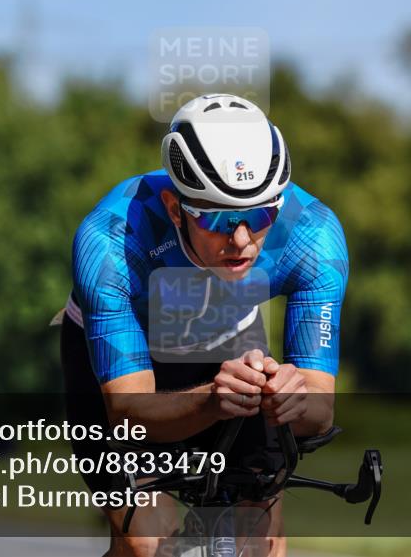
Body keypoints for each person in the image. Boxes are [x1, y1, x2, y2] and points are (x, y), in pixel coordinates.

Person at [60, 94, 349, 557]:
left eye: (259, 216)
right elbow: (127, 413)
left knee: (259, 537)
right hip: (131, 368)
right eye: (217, 217)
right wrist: (214, 400)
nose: (241, 240)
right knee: (144, 541)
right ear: (175, 208)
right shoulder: (111, 241)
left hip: (228, 344)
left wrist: (294, 397)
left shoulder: (312, 236)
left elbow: (321, 414)